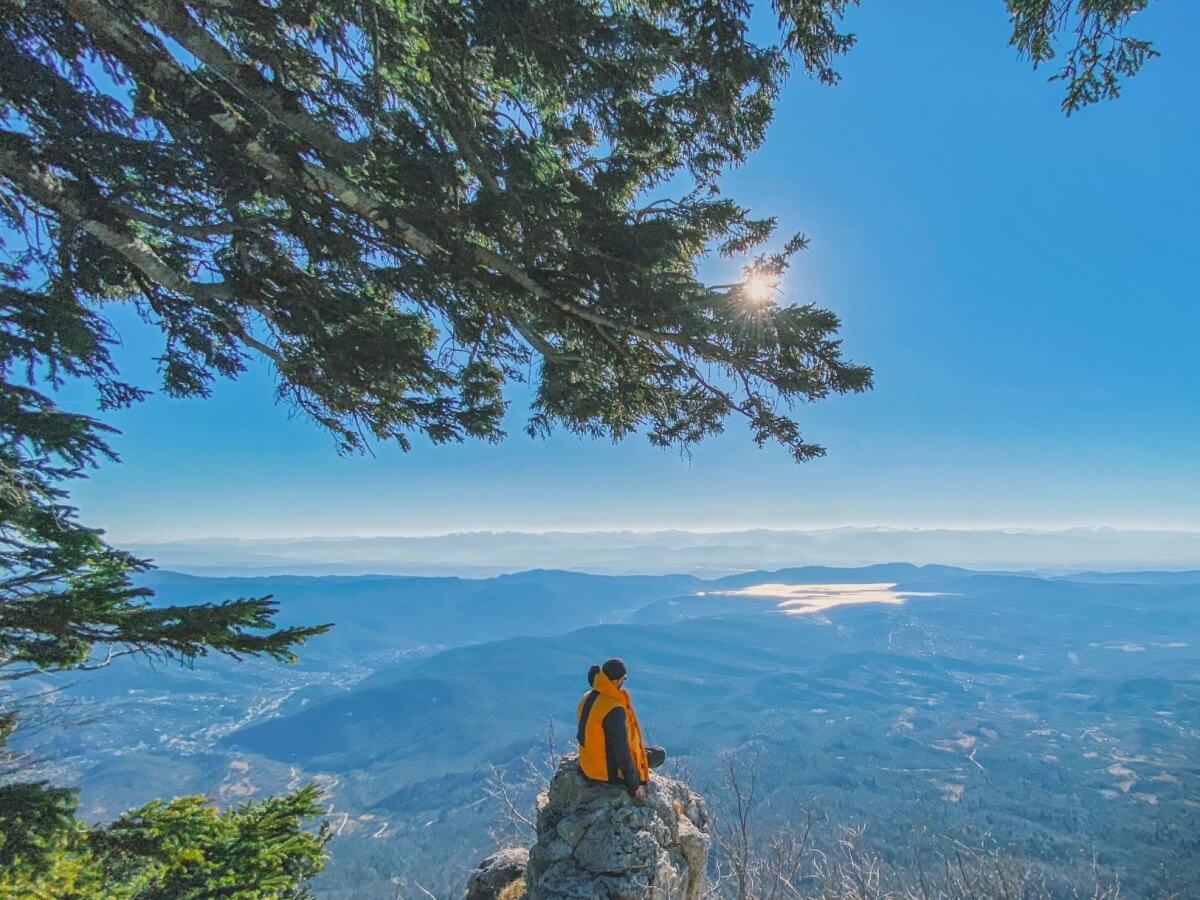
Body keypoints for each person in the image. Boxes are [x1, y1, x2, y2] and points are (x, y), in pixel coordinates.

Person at [576, 658, 666, 800]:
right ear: (617, 680)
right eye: (624, 679)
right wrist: (635, 785)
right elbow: (621, 750)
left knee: (647, 752)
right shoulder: (613, 708)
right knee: (659, 755)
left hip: (587, 762)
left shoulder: (588, 697)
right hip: (605, 771)